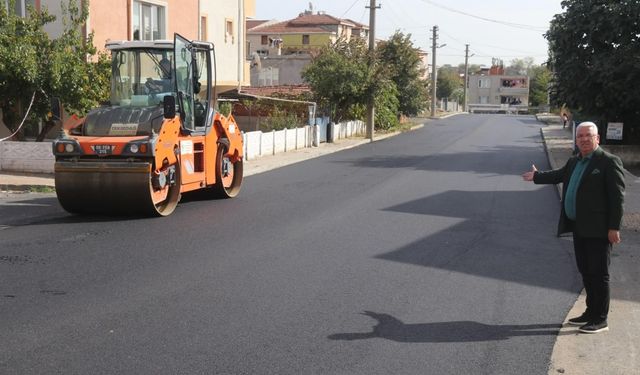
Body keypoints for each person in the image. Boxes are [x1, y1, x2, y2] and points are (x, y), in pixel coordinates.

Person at [522, 121, 625, 334]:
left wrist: (614, 227)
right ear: (576, 140)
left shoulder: (608, 162)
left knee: (599, 274)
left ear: (597, 138)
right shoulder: (575, 161)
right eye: (580, 136)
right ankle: (590, 312)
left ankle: (601, 319)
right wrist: (537, 176)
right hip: (579, 227)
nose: (584, 139)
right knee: (586, 271)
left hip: (599, 229)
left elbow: (617, 199)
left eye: (589, 135)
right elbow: (558, 175)